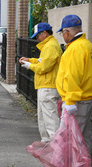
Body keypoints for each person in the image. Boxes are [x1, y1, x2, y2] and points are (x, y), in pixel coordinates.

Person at [19, 23, 62, 143]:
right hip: (46, 85)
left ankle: (55, 145)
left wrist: (28, 65)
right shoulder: (49, 45)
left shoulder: (50, 46)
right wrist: (30, 60)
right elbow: (42, 61)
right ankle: (47, 142)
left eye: (38, 35)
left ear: (44, 33)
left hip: (48, 86)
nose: (37, 38)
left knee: (50, 118)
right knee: (44, 117)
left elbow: (43, 67)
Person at [56, 15, 92, 153]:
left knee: (73, 138)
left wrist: (70, 100)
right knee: (84, 135)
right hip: (85, 98)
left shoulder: (75, 49)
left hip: (76, 101)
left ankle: (76, 163)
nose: (62, 36)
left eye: (62, 33)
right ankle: (85, 162)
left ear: (67, 32)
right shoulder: (87, 44)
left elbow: (73, 76)